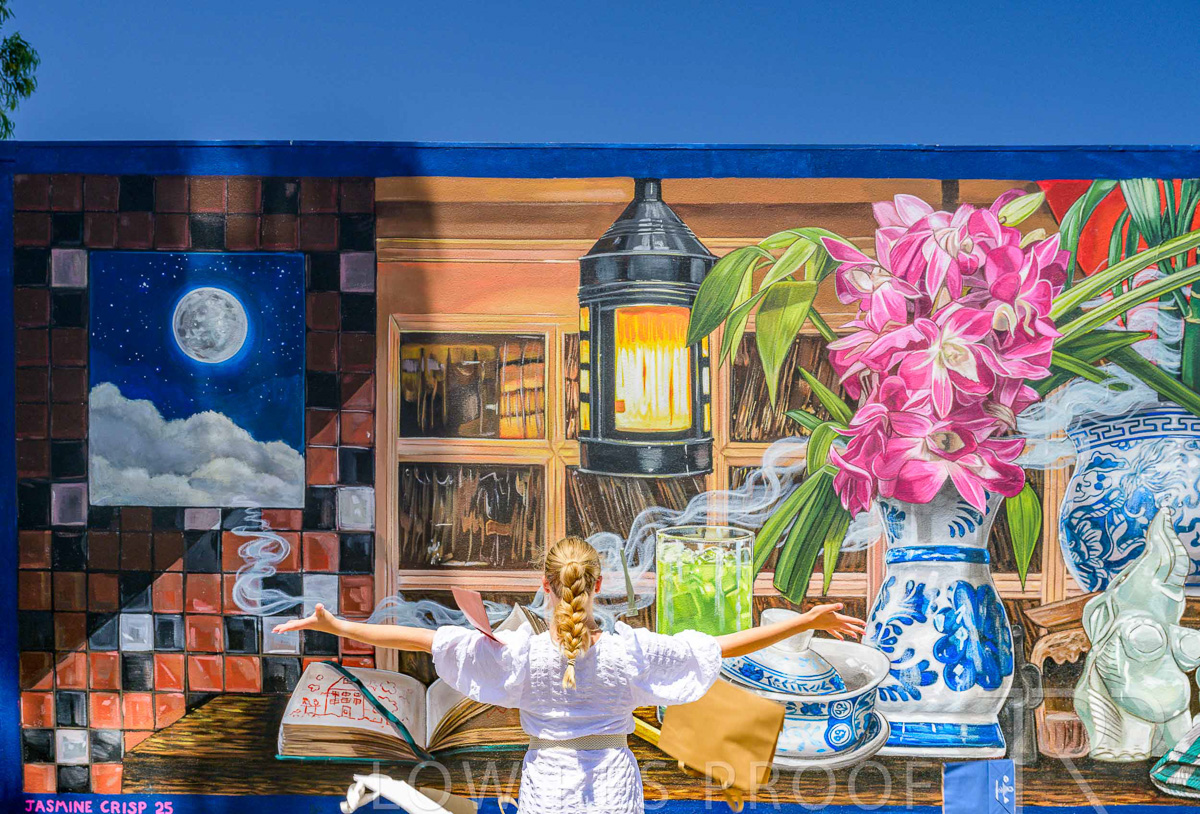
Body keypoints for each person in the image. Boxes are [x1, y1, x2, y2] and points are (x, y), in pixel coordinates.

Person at [274, 535, 866, 814]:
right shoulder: (629, 653)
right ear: (598, 584)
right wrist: (806, 620)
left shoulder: (520, 656)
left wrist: (340, 625)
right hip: (613, 786)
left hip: (547, 786)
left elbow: (421, 638)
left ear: (545, 585)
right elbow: (719, 647)